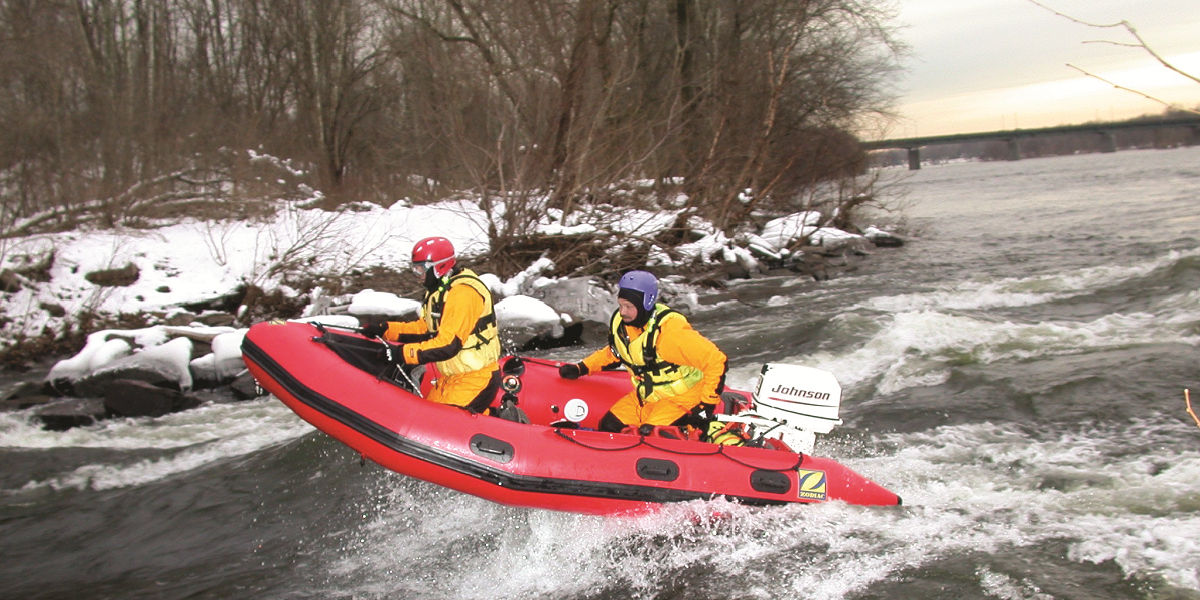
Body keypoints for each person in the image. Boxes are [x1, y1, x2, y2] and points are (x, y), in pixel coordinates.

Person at [558, 270, 727, 434]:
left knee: (651, 436)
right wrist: (582, 368)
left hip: (682, 400)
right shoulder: (623, 325)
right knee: (609, 425)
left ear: (646, 303)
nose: (623, 311)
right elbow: (616, 353)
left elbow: (716, 361)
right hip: (647, 398)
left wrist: (705, 406)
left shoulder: (671, 334)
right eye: (621, 305)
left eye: (629, 306)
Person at [361, 236, 501, 413]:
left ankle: (500, 419)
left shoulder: (464, 293)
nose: (417, 276)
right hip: (451, 378)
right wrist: (387, 330)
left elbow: (448, 345)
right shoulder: (440, 291)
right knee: (421, 417)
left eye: (420, 270)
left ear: (439, 267)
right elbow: (425, 329)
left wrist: (401, 353)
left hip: (475, 379)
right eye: (415, 269)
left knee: (438, 424)